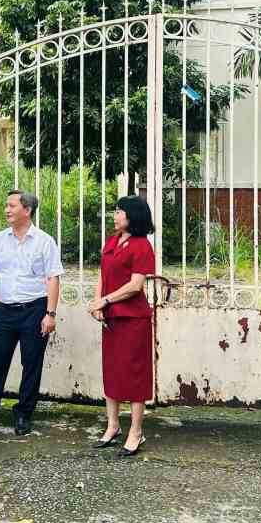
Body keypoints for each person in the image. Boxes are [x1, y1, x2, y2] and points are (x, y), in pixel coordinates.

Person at [0, 190, 63, 438]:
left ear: (26, 210)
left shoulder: (44, 241)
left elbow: (53, 278)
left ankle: (23, 414)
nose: (6, 210)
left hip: (34, 310)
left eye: (11, 206)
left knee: (31, 365)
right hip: (5, 311)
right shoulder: (0, 240)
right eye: (6, 205)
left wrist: (50, 313)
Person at [86, 196, 155, 458]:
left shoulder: (141, 246)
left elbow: (135, 286)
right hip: (111, 317)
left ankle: (136, 431)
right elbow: (103, 276)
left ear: (133, 216)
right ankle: (113, 425)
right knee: (112, 372)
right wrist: (97, 304)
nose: (115, 216)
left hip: (133, 319)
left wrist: (105, 301)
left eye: (120, 211)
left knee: (134, 376)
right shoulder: (113, 241)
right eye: (115, 211)